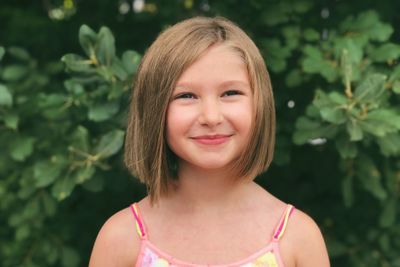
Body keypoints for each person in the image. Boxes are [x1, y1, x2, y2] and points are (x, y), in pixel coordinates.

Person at [89, 16, 330, 267]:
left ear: (260, 104)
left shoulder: (297, 237)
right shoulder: (121, 239)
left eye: (230, 93)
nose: (211, 117)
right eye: (186, 95)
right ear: (154, 111)